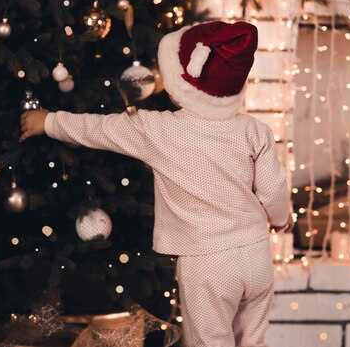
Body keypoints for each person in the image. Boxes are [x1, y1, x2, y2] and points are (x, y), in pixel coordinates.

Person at [20, 20, 293, 347]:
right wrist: (281, 220)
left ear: (183, 82)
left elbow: (98, 129)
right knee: (253, 342)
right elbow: (273, 188)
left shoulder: (158, 129)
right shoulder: (254, 130)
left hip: (207, 261)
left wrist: (48, 121)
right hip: (256, 254)